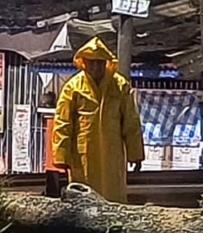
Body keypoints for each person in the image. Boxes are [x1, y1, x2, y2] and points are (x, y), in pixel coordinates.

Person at [48, 37, 145, 203]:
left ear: (106, 63)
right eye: (91, 62)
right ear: (83, 63)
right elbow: (63, 124)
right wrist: (61, 158)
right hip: (82, 156)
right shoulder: (73, 87)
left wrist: (135, 154)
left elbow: (131, 122)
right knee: (84, 199)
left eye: (99, 62)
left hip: (112, 154)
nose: (95, 67)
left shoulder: (120, 85)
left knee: (113, 198)